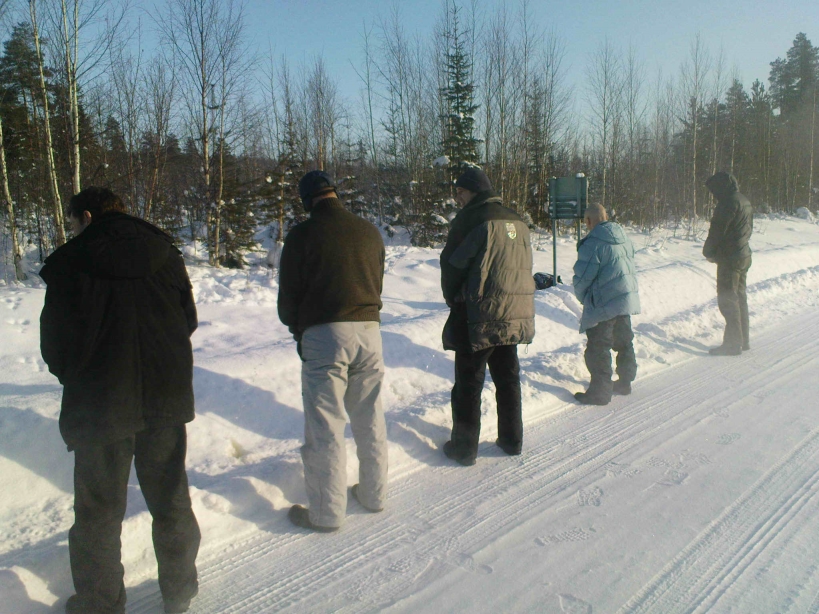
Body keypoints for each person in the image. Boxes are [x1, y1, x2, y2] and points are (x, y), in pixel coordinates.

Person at [39, 187, 200, 614]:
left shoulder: (70, 262)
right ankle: (179, 592)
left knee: (98, 512)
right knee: (171, 499)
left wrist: (78, 376)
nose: (73, 230)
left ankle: (99, 604)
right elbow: (188, 318)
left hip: (100, 405)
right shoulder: (165, 252)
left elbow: (54, 345)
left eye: (73, 222)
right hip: (164, 397)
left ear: (86, 216)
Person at [278, 170, 388, 532]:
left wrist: (299, 331)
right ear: (334, 194)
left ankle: (326, 514)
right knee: (370, 417)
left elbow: (287, 301)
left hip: (325, 334)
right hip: (370, 332)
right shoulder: (369, 231)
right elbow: (378, 281)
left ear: (306, 200)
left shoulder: (302, 235)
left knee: (326, 426)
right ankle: (374, 495)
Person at [439, 168, 535, 466]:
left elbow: (452, 264)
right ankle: (511, 439)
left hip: (479, 313)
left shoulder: (471, 219)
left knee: (469, 382)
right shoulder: (517, 220)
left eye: (461, 191)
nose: (458, 196)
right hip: (514, 313)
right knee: (508, 379)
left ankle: (464, 449)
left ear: (473, 191)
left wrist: (452, 297)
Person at [572, 203, 641, 406]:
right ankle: (625, 382)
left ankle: (600, 393)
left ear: (588, 221)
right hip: (625, 298)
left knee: (598, 347)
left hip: (603, 302)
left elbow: (583, 276)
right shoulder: (624, 238)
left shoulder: (593, 243)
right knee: (623, 341)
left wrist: (582, 296)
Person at [703, 171, 753, 356]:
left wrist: (708, 251)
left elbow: (717, 231)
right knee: (740, 297)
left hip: (730, 258)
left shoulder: (727, 203)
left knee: (728, 300)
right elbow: (748, 229)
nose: (713, 195)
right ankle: (743, 339)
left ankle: (733, 344)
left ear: (720, 187)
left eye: (714, 190)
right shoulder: (743, 200)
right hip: (743, 254)